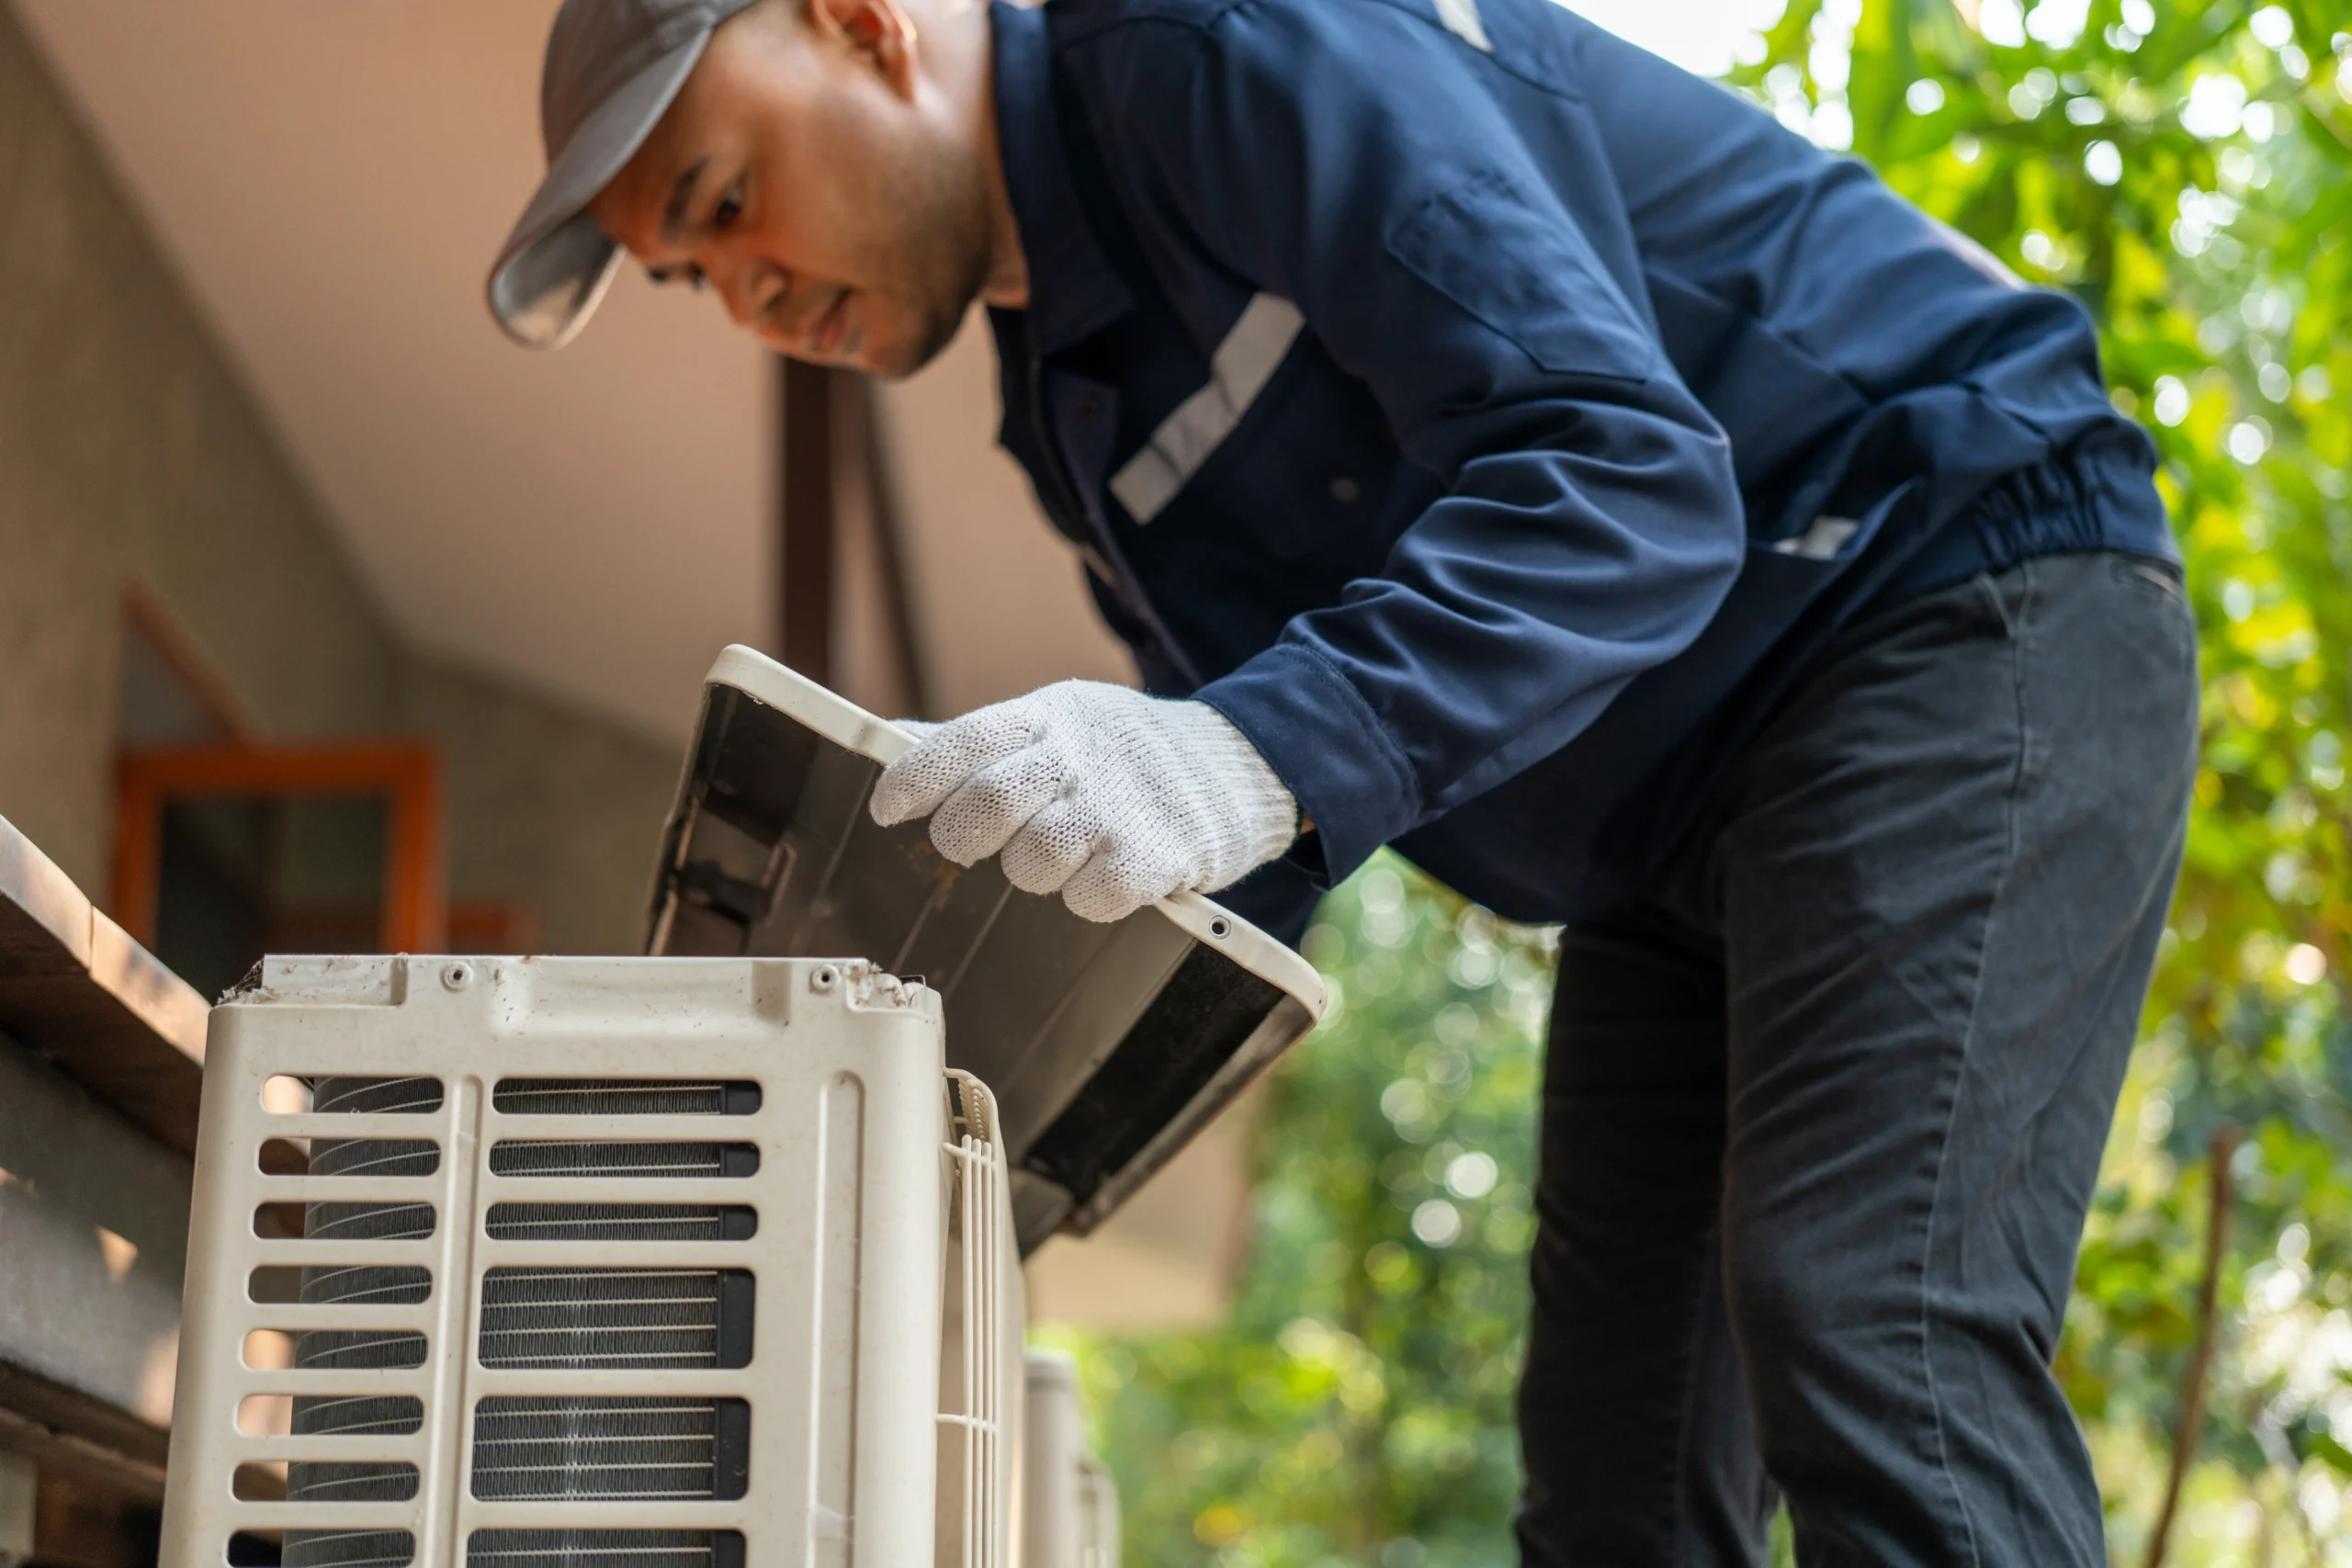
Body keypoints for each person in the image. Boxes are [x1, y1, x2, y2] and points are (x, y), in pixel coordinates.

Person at [484, 0, 2199, 1560]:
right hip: (1670, 827)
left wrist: (1240, 748)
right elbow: (1232, 827)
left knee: (1868, 1321)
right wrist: (924, 1108)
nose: (747, 293)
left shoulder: (1203, 41)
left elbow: (1631, 479)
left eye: (722, 200)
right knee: (1614, 1491)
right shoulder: (1066, 413)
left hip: (1944, 591)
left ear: (857, 26)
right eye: (692, 279)